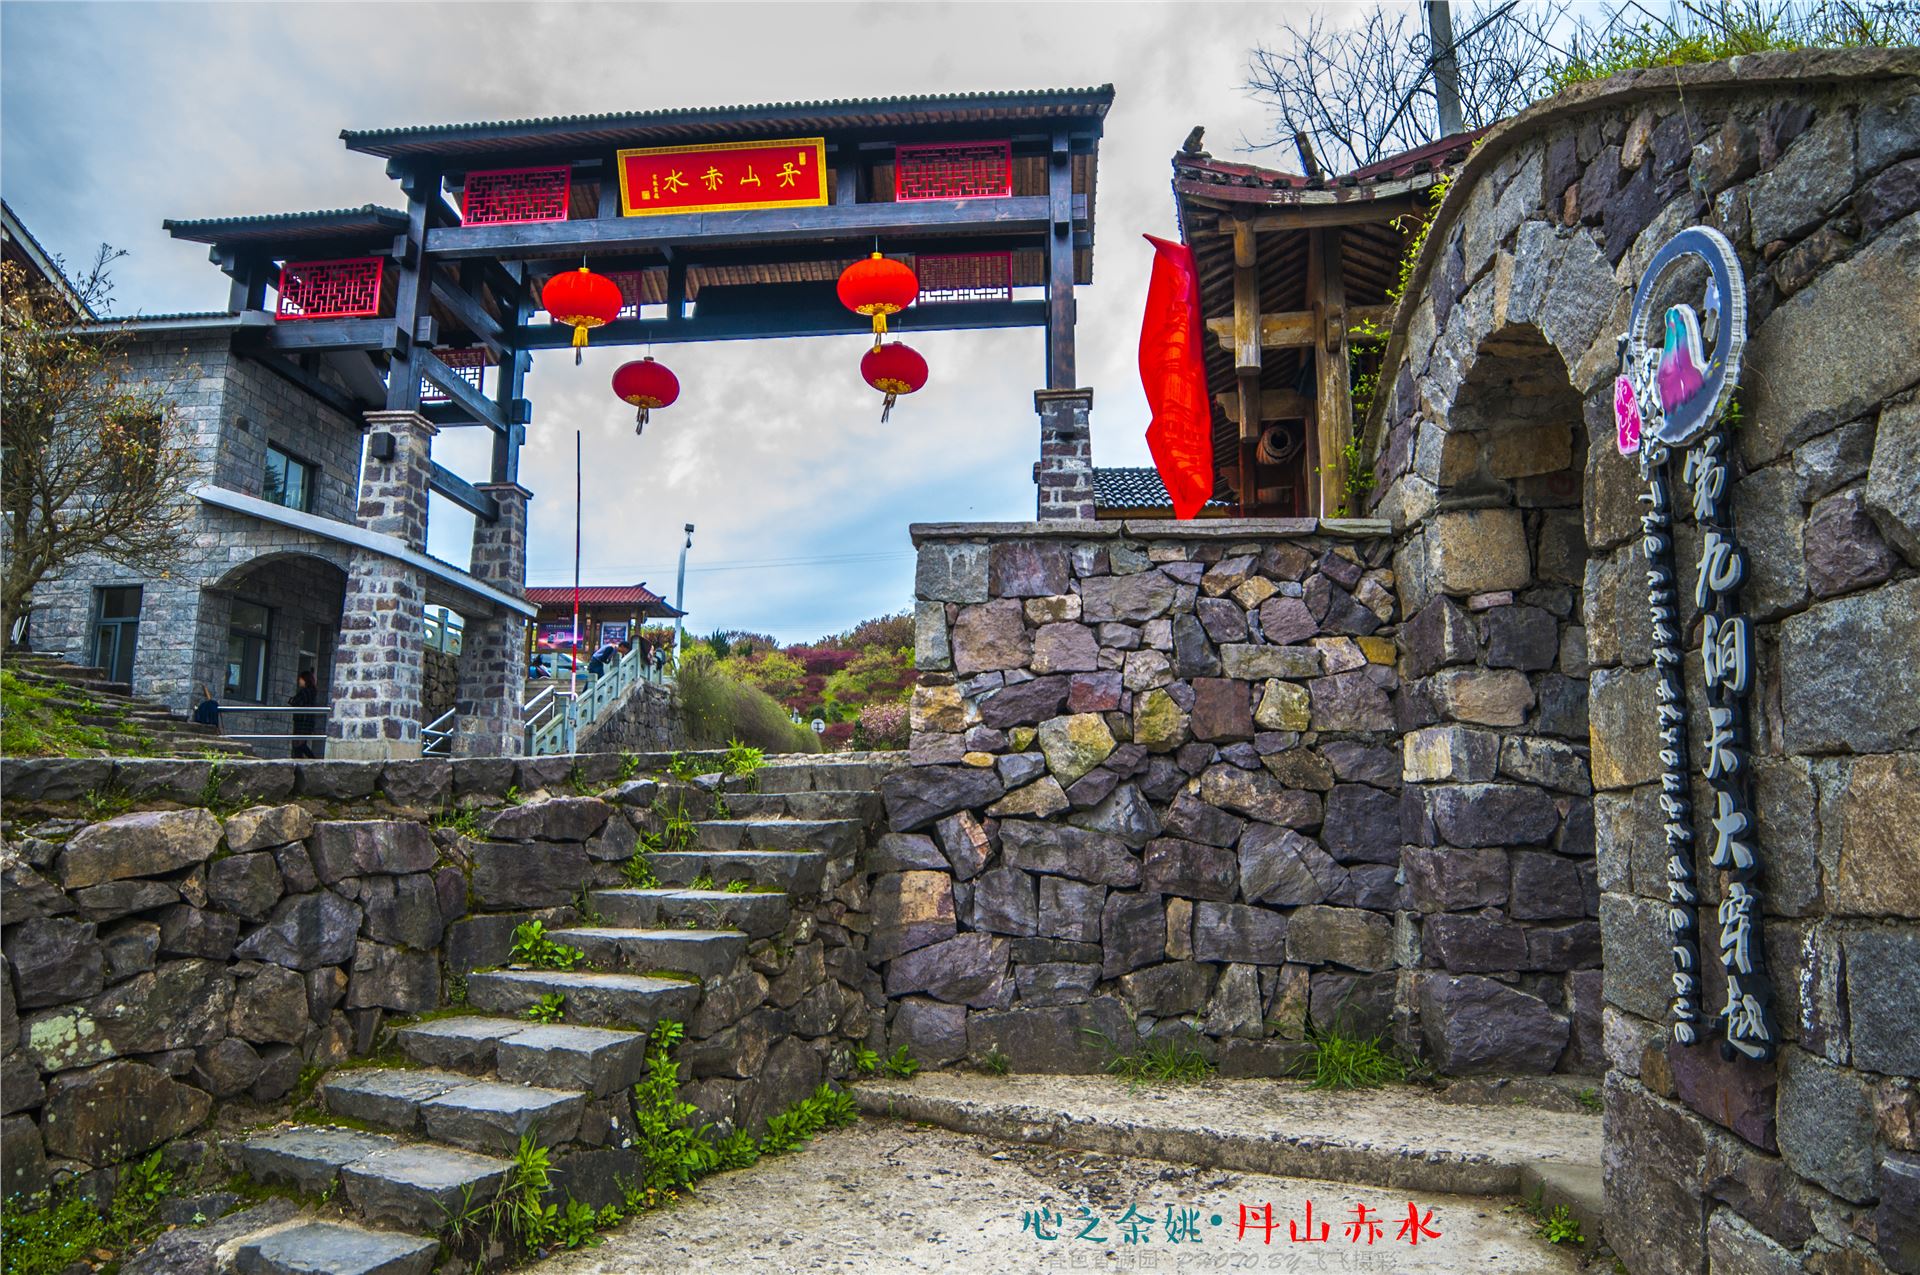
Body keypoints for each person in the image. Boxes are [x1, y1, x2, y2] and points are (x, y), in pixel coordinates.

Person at [288, 670, 319, 758]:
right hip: (305, 722)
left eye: (301, 679)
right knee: (299, 745)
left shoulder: (306, 692)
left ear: (305, 680)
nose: (299, 681)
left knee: (298, 745)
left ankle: (313, 761)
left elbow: (297, 701)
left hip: (303, 722)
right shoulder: (311, 691)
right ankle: (299, 767)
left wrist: (292, 701)